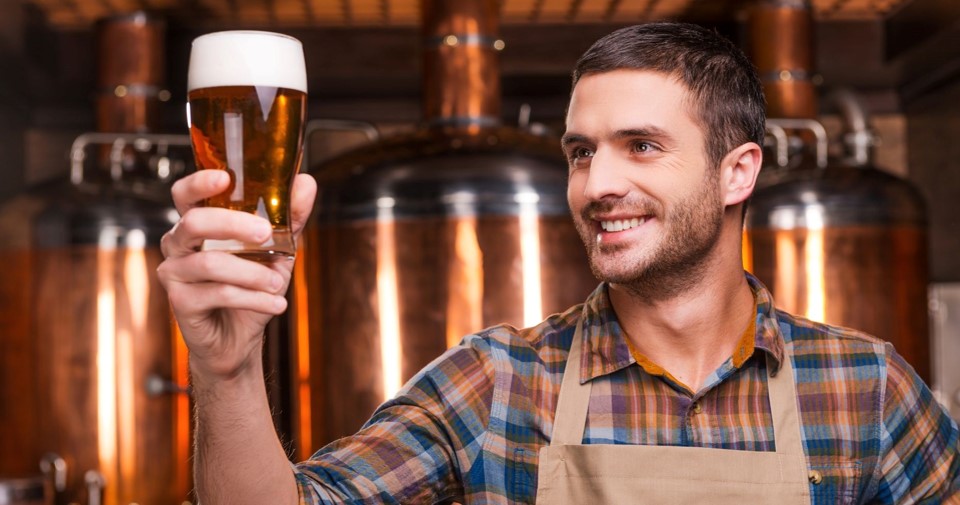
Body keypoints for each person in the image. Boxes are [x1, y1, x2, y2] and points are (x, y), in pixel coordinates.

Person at [158, 22, 960, 504]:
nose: (597, 184)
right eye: (582, 152)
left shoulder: (867, 390)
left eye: (641, 146)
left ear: (737, 172)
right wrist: (227, 372)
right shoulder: (496, 380)